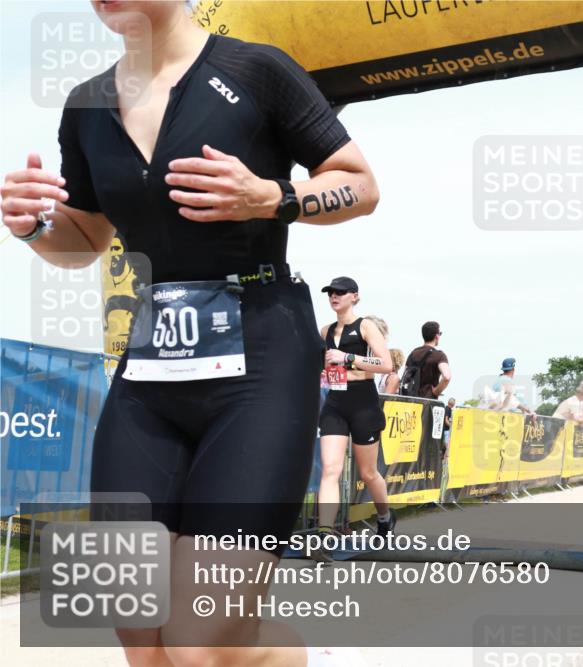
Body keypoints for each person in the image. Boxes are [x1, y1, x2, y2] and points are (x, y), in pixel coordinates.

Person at [0, 2, 379, 664]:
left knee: (199, 642)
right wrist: (33, 225)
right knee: (140, 637)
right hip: (151, 368)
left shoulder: (256, 69)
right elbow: (85, 239)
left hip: (262, 361)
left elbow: (361, 184)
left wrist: (275, 198)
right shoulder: (87, 104)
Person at [317, 277, 394, 539]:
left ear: (354, 296)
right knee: (330, 470)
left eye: (340, 292)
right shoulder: (325, 331)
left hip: (363, 403)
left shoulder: (366, 326)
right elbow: (322, 367)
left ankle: (384, 517)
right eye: (330, 293)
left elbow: (386, 365)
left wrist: (348, 357)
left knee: (368, 473)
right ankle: (325, 532)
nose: (333, 296)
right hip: (335, 403)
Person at [403, 321, 451, 399]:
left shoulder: (413, 353)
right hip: (427, 402)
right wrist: (436, 391)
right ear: (437, 336)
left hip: (410, 400)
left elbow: (405, 374)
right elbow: (446, 376)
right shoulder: (439, 355)